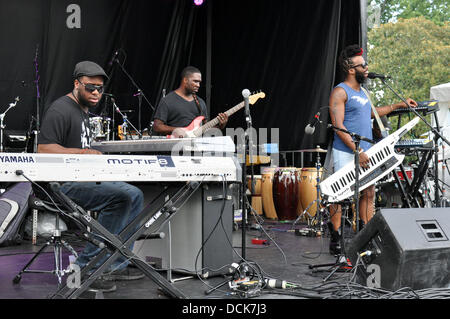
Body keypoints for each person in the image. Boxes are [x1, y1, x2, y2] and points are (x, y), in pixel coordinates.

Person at [38, 61, 145, 293]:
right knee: (122, 198)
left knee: (134, 195)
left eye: (100, 88)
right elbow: (43, 150)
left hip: (81, 179)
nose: (96, 92)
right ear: (77, 84)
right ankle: (86, 268)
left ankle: (115, 263)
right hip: (59, 185)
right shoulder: (61, 109)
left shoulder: (83, 110)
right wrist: (83, 152)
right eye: (90, 87)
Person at [328, 45, 417, 255]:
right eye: (363, 65)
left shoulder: (363, 92)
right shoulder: (340, 91)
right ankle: (336, 238)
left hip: (366, 150)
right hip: (347, 151)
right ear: (351, 69)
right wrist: (357, 151)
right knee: (340, 195)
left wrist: (397, 105)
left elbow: (371, 113)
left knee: (368, 193)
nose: (367, 69)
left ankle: (366, 235)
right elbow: (338, 125)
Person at [153, 66, 228, 137]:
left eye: (199, 82)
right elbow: (157, 126)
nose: (198, 85)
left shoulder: (200, 102)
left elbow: (205, 130)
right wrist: (178, 130)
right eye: (195, 81)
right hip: (175, 145)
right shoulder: (167, 100)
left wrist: (220, 126)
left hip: (196, 147)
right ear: (185, 80)